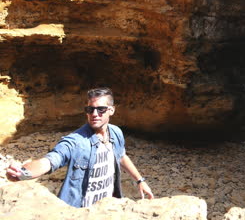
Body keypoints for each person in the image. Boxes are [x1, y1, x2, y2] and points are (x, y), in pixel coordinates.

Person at [6, 87, 154, 207]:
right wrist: (23, 173)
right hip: (81, 210)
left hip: (107, 208)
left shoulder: (115, 132)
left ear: (112, 110)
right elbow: (52, 160)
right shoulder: (76, 141)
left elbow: (121, 156)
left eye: (101, 109)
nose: (94, 114)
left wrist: (140, 181)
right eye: (90, 110)